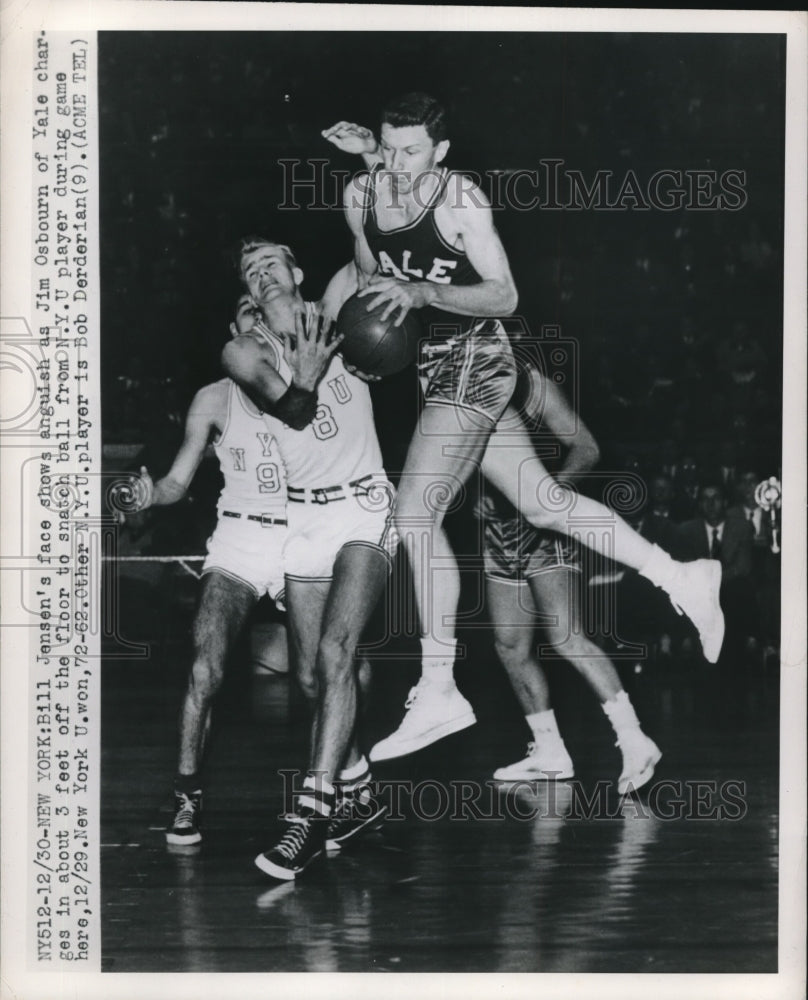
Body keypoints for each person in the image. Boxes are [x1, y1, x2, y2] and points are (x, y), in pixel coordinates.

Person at [324, 98, 724, 762]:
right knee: (544, 501)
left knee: (416, 518)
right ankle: (681, 576)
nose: (398, 163)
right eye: (388, 149)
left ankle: (437, 686)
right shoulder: (359, 194)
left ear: (440, 154)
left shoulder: (463, 202)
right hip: (432, 369)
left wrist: (424, 294)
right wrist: (373, 346)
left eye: (412, 151)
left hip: (478, 360)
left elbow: (505, 295)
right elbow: (373, 281)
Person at [222, 238, 398, 880]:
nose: (263, 272)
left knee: (337, 652)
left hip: (366, 504)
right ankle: (358, 786)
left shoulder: (343, 313)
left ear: (297, 272)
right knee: (310, 681)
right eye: (250, 270)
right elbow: (294, 409)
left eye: (273, 262)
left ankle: (310, 815)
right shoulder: (244, 351)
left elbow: (372, 243)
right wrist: (311, 371)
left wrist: (369, 166)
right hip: (305, 515)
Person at [124, 294, 289, 845]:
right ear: (232, 330)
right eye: (247, 308)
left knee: (327, 670)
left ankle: (335, 792)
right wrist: (150, 495)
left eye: (268, 307)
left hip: (305, 535)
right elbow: (176, 482)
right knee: (205, 671)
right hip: (241, 537)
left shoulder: (314, 384)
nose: (259, 315)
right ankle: (187, 793)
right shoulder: (215, 398)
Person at [478, 363, 661, 794]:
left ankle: (635, 741)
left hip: (545, 526)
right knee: (509, 644)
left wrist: (544, 497)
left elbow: (587, 449)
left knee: (567, 637)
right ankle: (549, 752)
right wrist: (474, 496)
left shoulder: (535, 385)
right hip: (498, 532)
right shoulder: (465, 384)